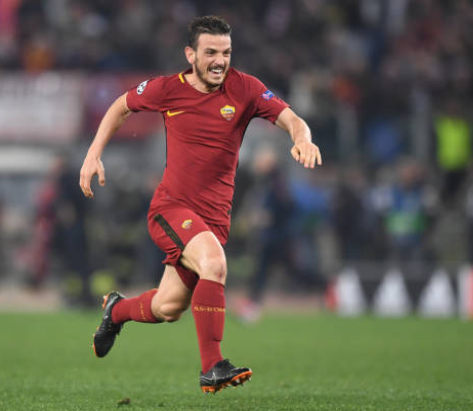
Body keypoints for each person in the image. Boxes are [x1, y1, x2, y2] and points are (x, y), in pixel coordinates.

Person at [79, 15, 322, 394]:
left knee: (167, 307)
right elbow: (120, 106)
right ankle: (213, 367)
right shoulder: (167, 89)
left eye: (226, 52)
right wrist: (94, 153)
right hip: (171, 209)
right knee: (214, 263)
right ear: (190, 54)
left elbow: (292, 119)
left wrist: (302, 138)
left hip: (213, 220)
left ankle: (117, 310)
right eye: (210, 52)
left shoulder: (246, 88)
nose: (219, 61)